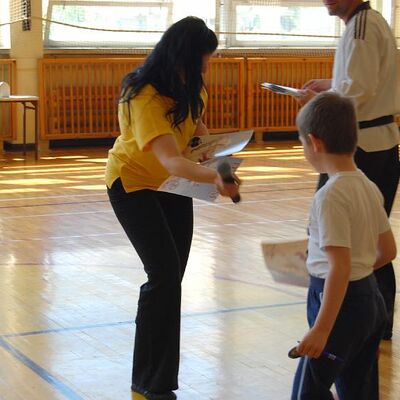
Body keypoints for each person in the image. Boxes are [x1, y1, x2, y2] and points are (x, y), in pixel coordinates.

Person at [105, 17, 240, 400]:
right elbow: (170, 159)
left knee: (171, 280)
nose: (206, 66)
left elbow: (196, 128)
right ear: (184, 56)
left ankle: (158, 379)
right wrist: (215, 178)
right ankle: (148, 383)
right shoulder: (143, 95)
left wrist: (212, 151)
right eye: (204, 58)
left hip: (173, 186)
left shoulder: (190, 85)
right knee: (163, 275)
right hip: (133, 184)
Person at [299, 0, 399, 340]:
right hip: (371, 143)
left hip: (364, 146)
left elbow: (359, 89)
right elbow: (363, 81)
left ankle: (349, 319)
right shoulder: (365, 23)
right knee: (365, 237)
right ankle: (373, 321)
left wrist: (316, 105)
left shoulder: (362, 27)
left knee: (346, 237)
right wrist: (330, 84)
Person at [291, 92, 396, 399]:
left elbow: (340, 267)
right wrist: (358, 270)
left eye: (302, 144)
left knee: (308, 391)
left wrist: (322, 329)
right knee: (359, 390)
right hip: (369, 301)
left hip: (338, 307)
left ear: (314, 142)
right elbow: (388, 251)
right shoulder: (367, 185)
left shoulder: (330, 195)